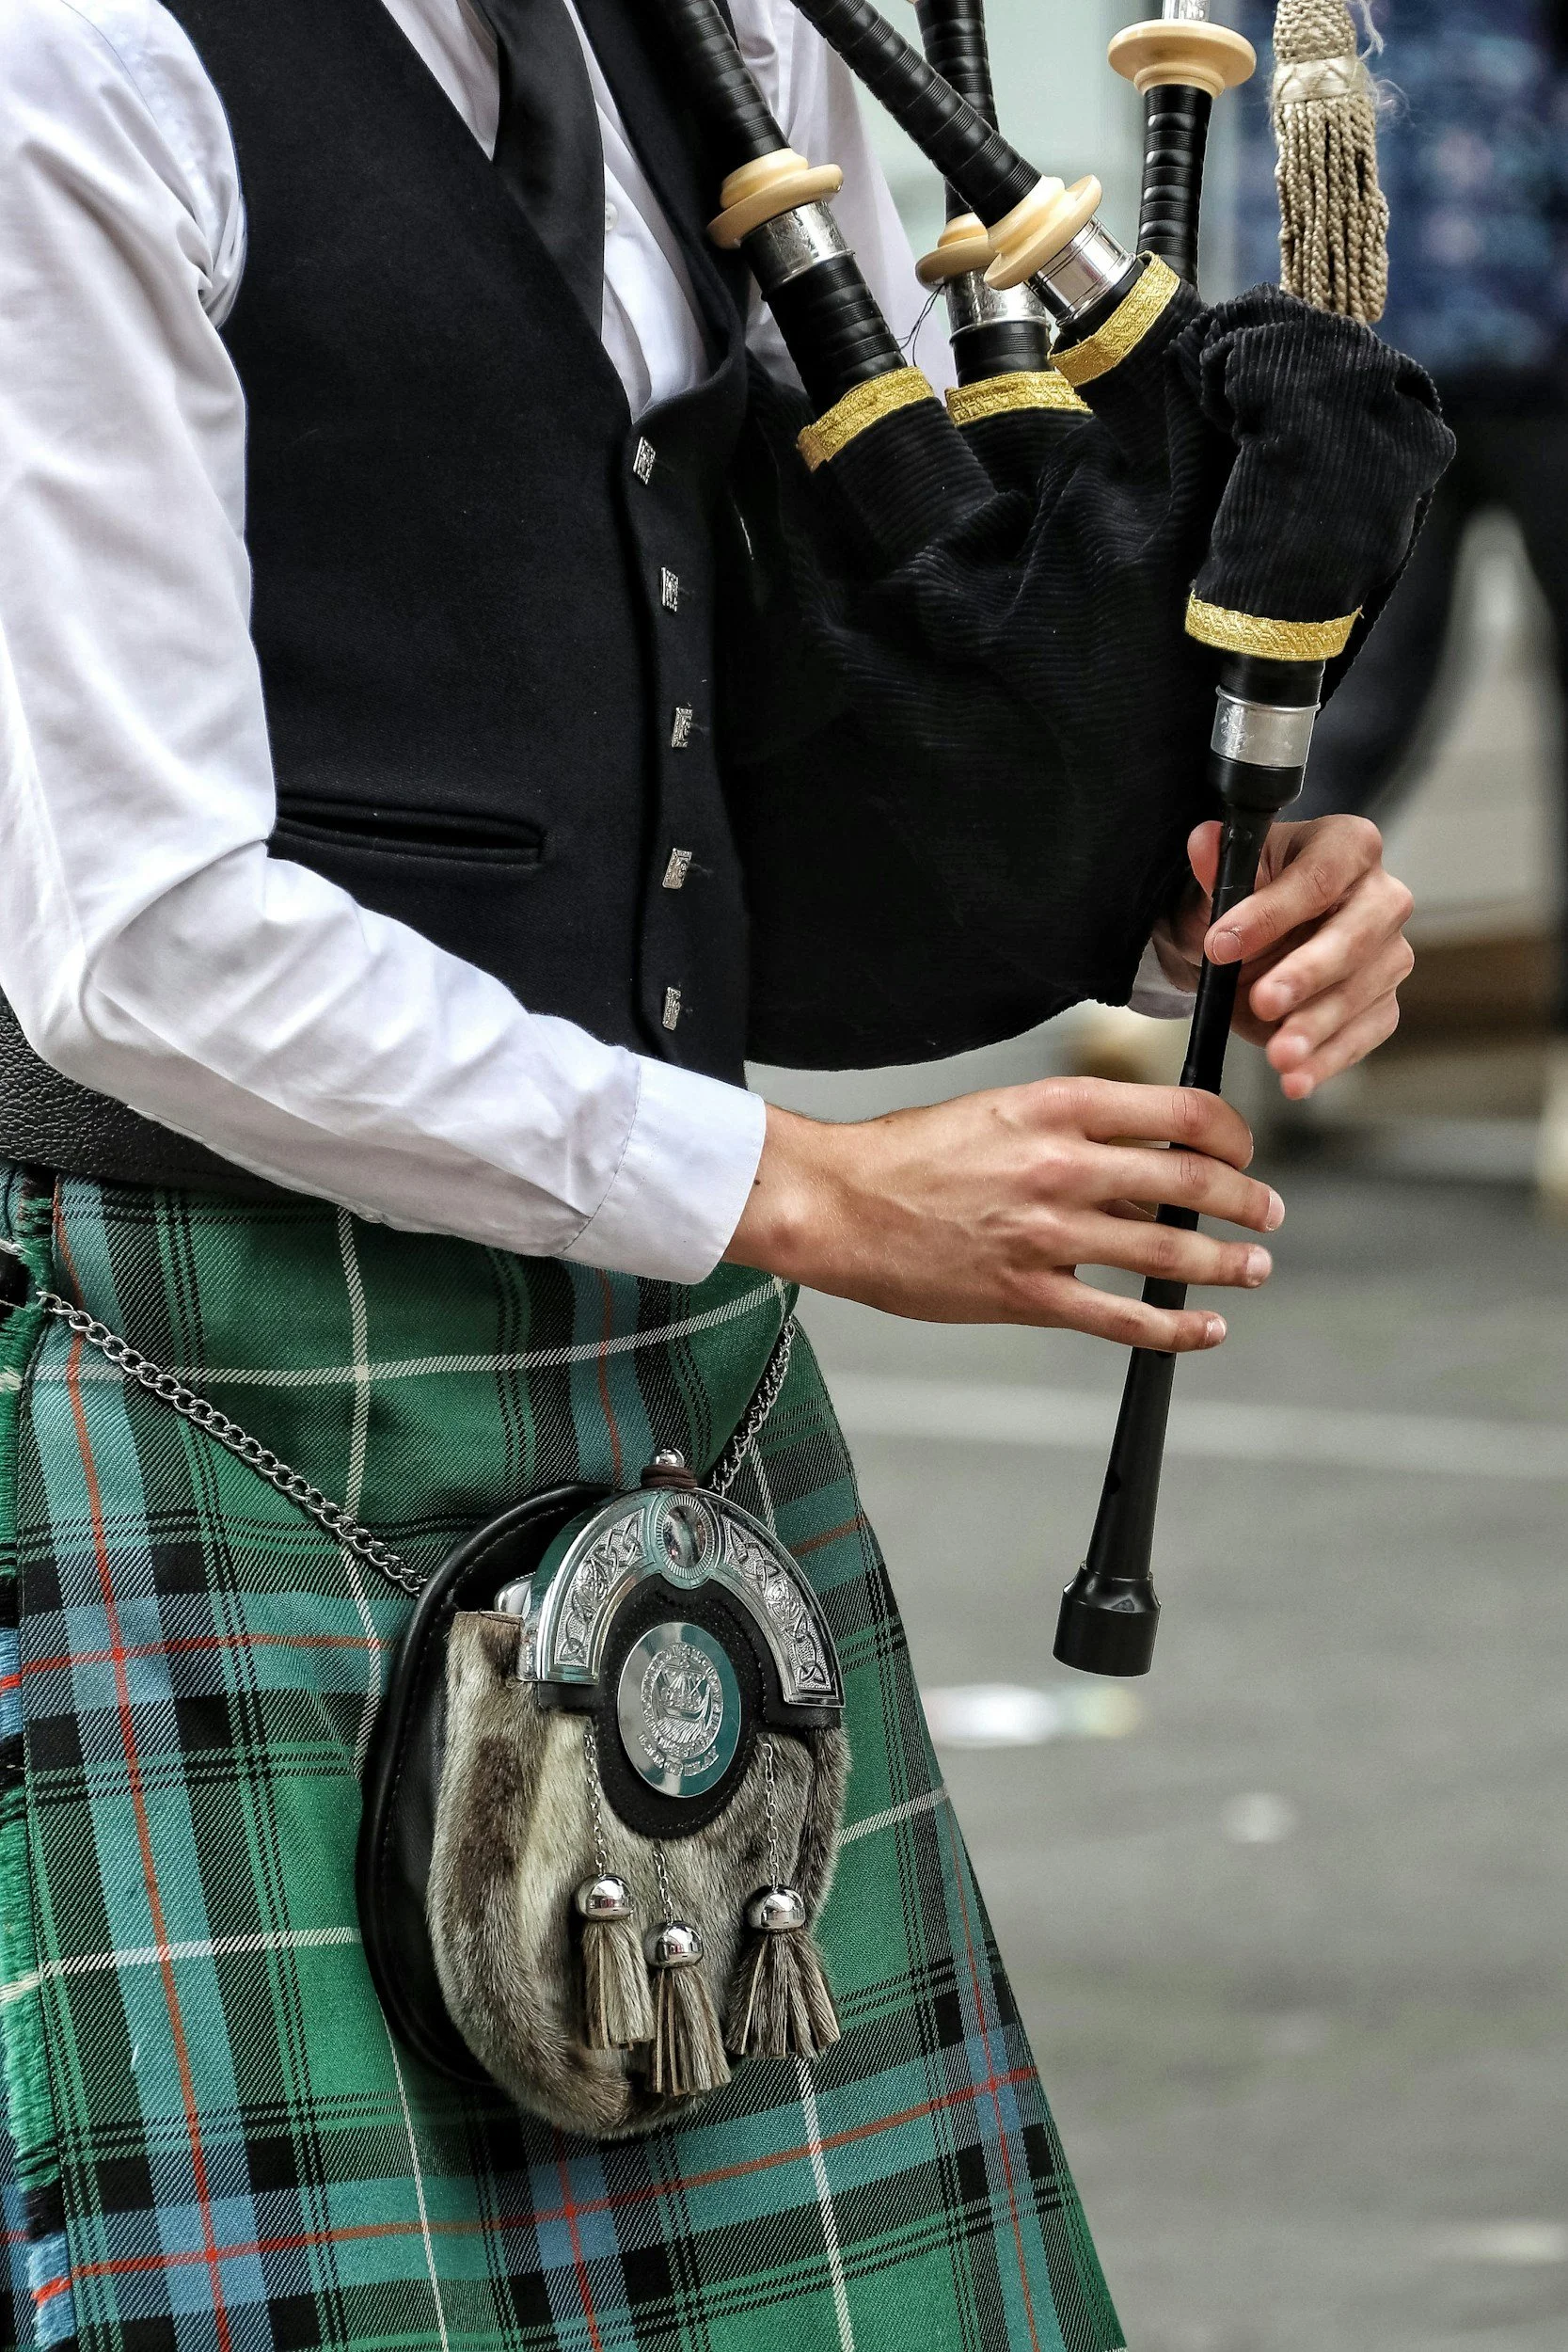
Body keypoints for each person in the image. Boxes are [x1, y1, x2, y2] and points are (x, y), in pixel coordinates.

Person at [0, 0, 1416, 2344]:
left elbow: (805, 695)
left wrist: (1185, 874)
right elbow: (130, 940)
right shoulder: (81, 70)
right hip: (204, 1356)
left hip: (661, 1349)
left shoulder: (725, 37)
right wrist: (805, 1190)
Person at [1234, 0, 1568, 1199]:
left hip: (1398, 312)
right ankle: (1233, 987)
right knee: (1342, 691)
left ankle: (1230, 992)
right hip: (1403, 310)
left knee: (1343, 690)